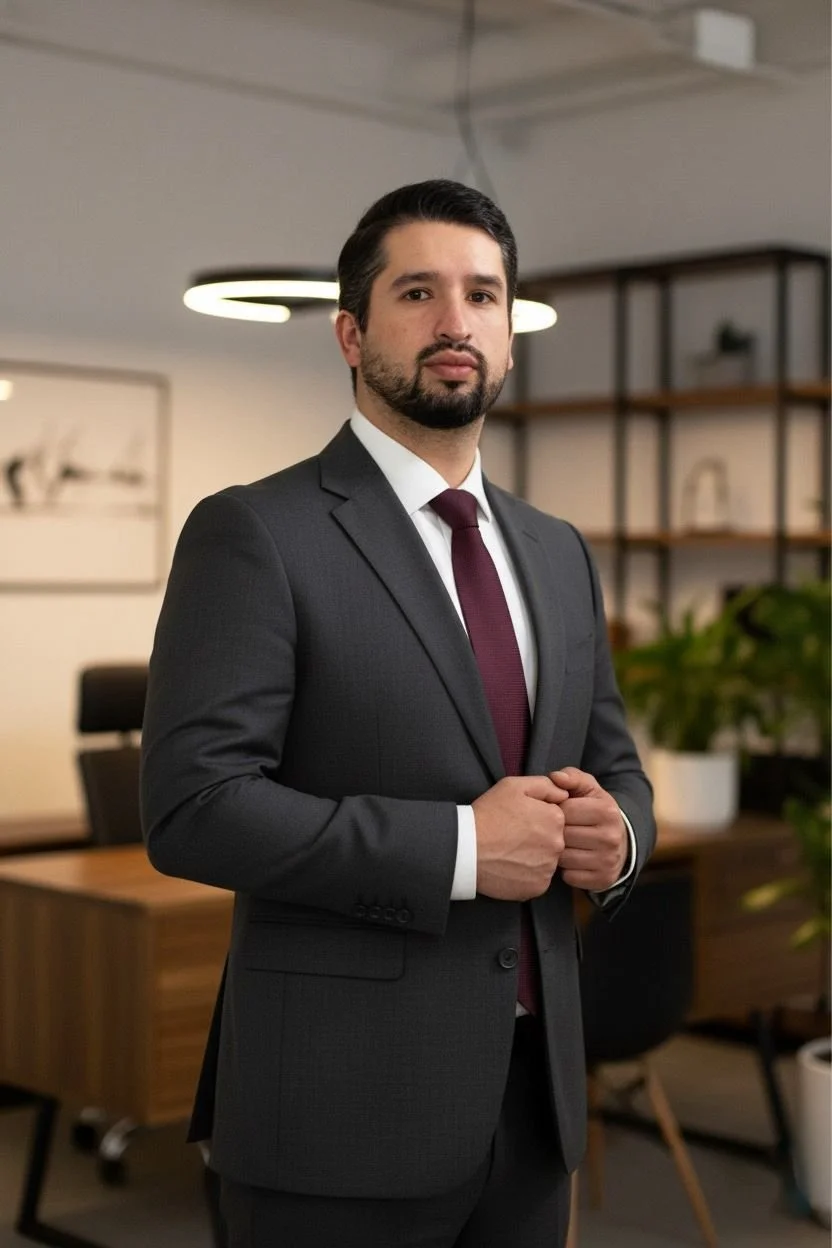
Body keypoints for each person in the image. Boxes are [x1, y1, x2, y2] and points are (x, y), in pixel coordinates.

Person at [140, 179, 656, 1248]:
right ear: (349, 331)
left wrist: (620, 841)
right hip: (336, 1108)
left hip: (532, 1098)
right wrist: (463, 847)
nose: (455, 320)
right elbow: (194, 807)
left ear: (509, 338)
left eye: (483, 295)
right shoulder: (257, 532)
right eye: (417, 292)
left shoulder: (556, 551)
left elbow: (616, 766)